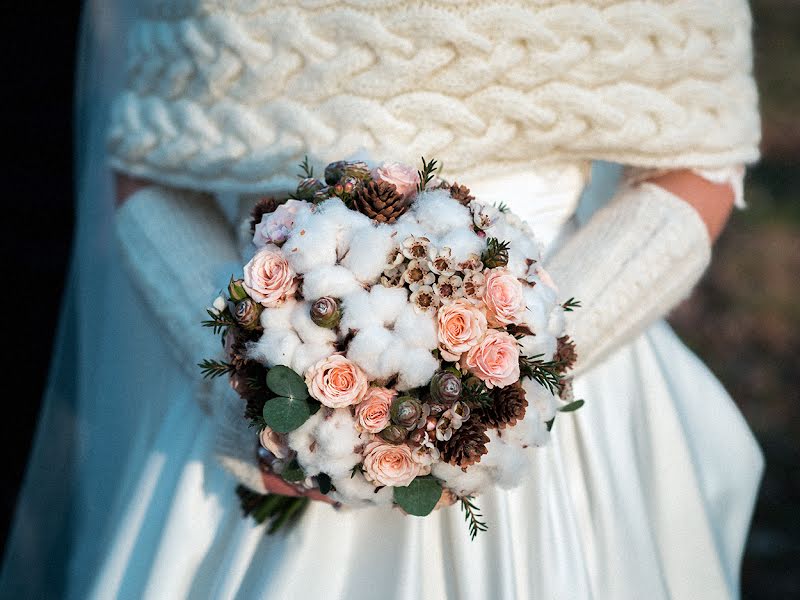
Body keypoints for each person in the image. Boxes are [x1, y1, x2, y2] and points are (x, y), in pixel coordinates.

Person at [1, 1, 764, 598]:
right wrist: (240, 383)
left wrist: (514, 370)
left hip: (544, 419)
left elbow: (701, 161)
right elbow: (144, 162)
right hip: (268, 397)